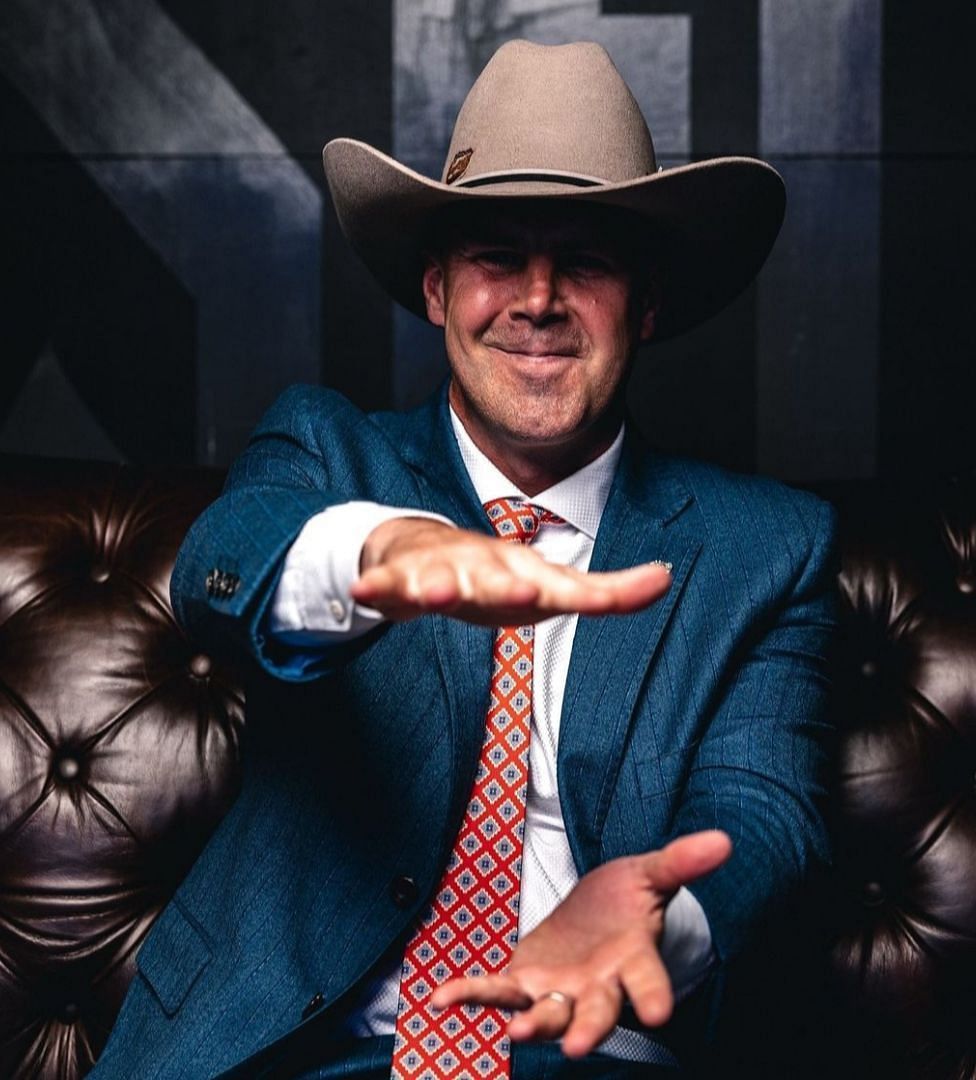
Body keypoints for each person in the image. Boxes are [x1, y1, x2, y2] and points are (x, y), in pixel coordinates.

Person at [92, 40, 835, 1080]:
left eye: (585, 259)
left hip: (590, 1053)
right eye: (496, 256)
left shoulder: (770, 546)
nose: (537, 297)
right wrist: (370, 551)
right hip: (295, 1050)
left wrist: (658, 928)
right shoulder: (327, 449)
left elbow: (764, 812)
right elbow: (225, 565)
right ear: (437, 291)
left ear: (648, 304)